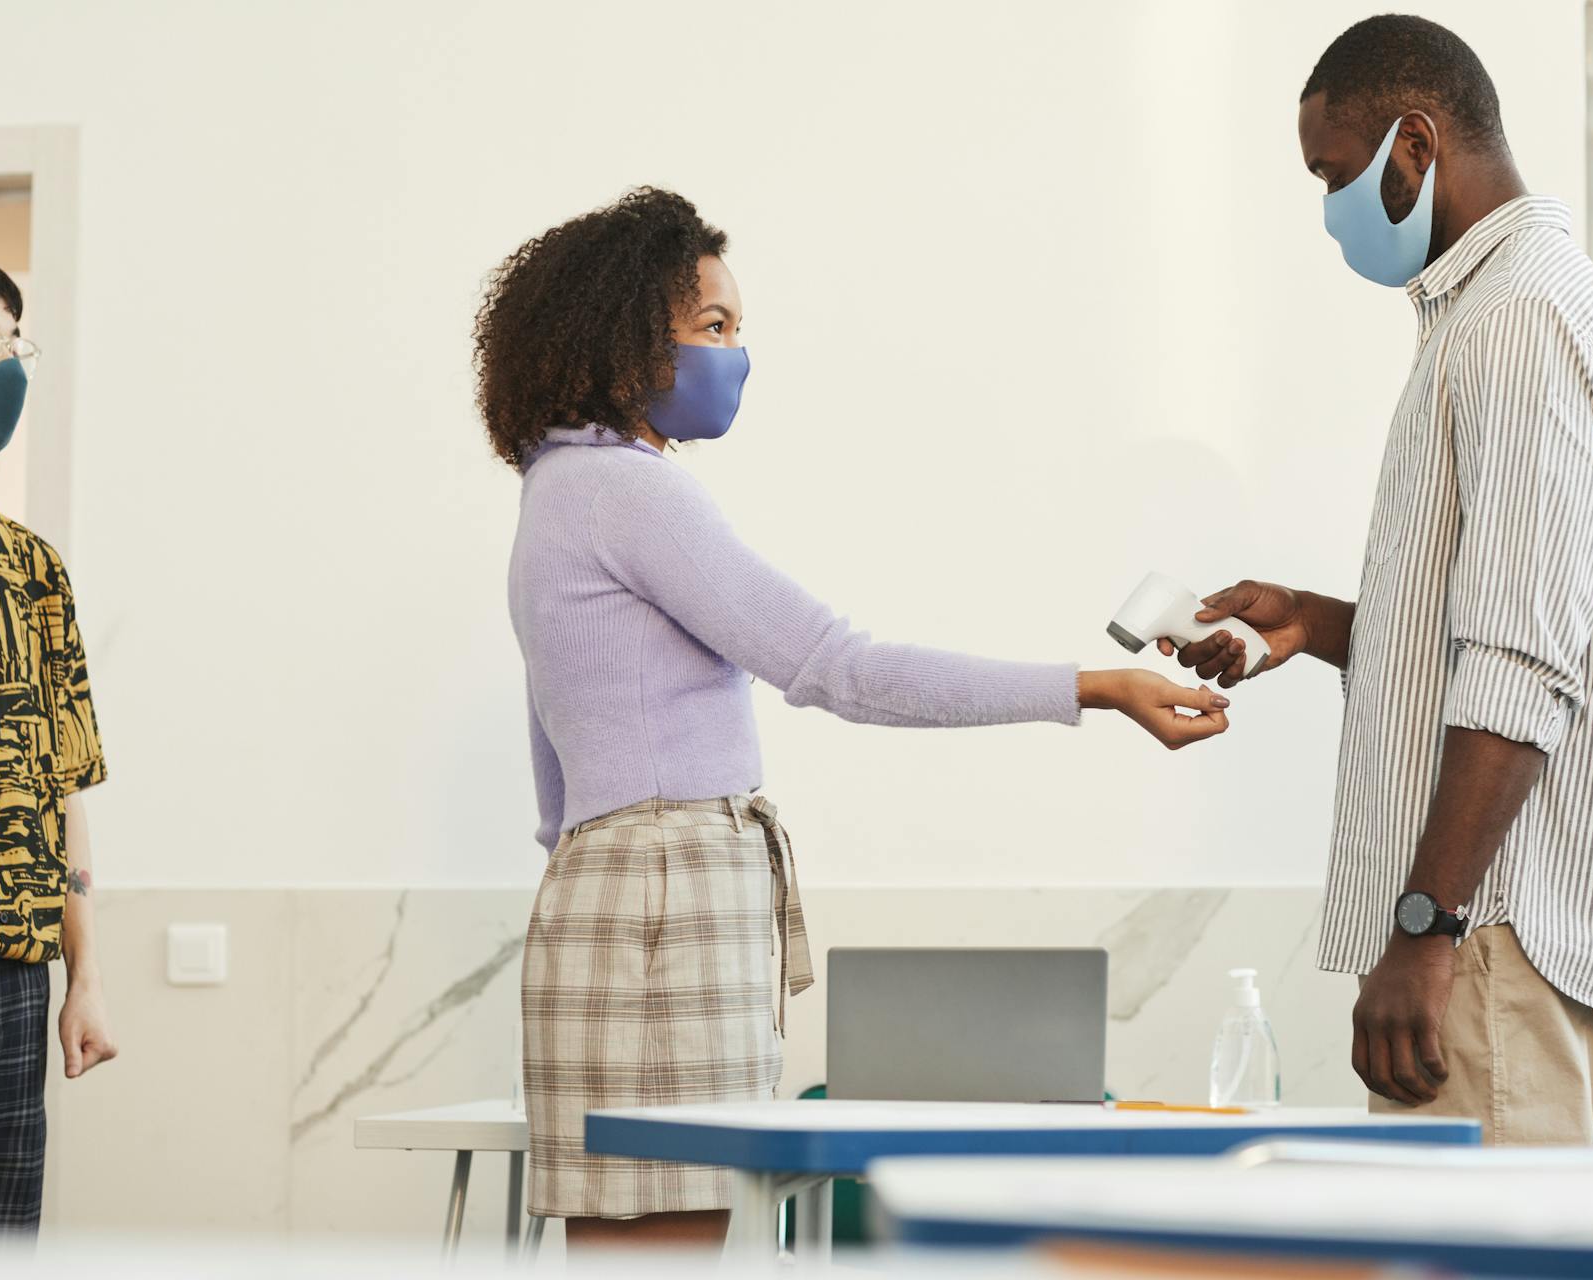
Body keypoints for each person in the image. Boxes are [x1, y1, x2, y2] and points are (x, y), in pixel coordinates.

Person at [477, 188, 1230, 1248]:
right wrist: (1090, 686)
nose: (738, 354)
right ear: (624, 335)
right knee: (671, 1248)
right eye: (716, 327)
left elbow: (554, 786)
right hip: (665, 908)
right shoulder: (631, 492)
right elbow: (838, 666)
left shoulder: (555, 490)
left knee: (630, 1249)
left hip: (611, 901)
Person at [1167, 16, 1593, 1145]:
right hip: (1517, 949)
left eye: (1334, 173)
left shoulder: (1519, 323)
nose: (1328, 208)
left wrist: (1425, 925)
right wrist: (1327, 621)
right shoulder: (1501, 312)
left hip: (1497, 942)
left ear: (1415, 142)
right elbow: (1517, 610)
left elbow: (1521, 664)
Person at [0, 254, 116, 1233]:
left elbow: (62, 784)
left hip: (11, 971)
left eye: (7, 345)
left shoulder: (29, 569)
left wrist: (85, 976)